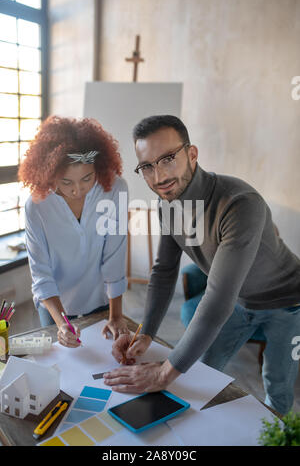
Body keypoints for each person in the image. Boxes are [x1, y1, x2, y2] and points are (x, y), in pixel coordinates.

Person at [103, 115, 300, 416]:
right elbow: (164, 271)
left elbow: (219, 295)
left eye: (168, 159)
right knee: (200, 370)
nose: (158, 176)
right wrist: (146, 332)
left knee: (278, 384)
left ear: (192, 154)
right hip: (240, 302)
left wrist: (163, 373)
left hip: (288, 301)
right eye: (147, 166)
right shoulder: (167, 205)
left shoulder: (240, 203)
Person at [19, 115, 130, 348]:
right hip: (55, 306)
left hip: (100, 299)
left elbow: (115, 257)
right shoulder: (37, 206)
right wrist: (61, 324)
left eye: (87, 178)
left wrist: (116, 315)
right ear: (49, 174)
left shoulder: (115, 190)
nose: (77, 190)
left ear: (98, 168)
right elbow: (41, 274)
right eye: (66, 182)